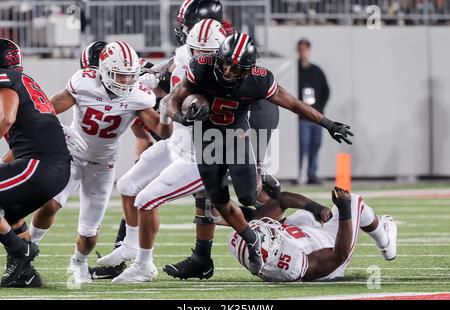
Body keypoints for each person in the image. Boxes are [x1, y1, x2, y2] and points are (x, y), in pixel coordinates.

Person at [167, 33, 353, 276]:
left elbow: (294, 104)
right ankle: (252, 239)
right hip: (206, 138)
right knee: (219, 201)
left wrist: (328, 124)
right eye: (225, 63)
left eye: (236, 68)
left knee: (246, 196)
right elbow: (173, 100)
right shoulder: (201, 68)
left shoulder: (259, 80)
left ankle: (258, 172)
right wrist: (182, 117)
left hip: (236, 136)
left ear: (248, 69)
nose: (228, 71)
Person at [94, 19, 227, 283]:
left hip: (201, 155)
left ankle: (144, 265)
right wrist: (154, 74)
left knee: (146, 199)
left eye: (206, 53)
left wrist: (175, 104)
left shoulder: (221, 78)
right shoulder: (185, 57)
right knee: (128, 184)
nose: (199, 56)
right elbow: (173, 67)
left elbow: (190, 101)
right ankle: (130, 245)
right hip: (177, 143)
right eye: (195, 50)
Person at [28, 41, 172, 284]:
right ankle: (27, 251)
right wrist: (63, 131)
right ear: (103, 71)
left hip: (103, 165)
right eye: (120, 75)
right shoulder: (84, 82)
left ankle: (79, 262)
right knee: (50, 205)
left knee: (89, 233)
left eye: (130, 77)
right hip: (72, 156)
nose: (125, 82)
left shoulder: (139, 94)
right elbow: (46, 110)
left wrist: (167, 113)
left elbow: (162, 131)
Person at [0, 38, 71, 287]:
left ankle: (20, 251)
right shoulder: (24, 82)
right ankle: (26, 274)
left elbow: (6, 119)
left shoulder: (4, 79)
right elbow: (25, 139)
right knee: (8, 213)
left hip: (39, 166)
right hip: (52, 168)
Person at [228, 187, 397, 282]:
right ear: (273, 248)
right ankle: (385, 242)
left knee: (302, 215)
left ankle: (317, 216)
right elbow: (338, 256)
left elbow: (282, 199)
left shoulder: (241, 242)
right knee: (353, 200)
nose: (272, 226)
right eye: (271, 232)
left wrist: (316, 208)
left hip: (302, 240)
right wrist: (344, 207)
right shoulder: (293, 264)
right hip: (329, 251)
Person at [297, 38, 330, 184]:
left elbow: (326, 91)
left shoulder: (317, 71)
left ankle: (312, 174)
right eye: (300, 49)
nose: (303, 52)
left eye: (305, 49)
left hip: (316, 117)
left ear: (309, 51)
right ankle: (299, 174)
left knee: (315, 145)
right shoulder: (294, 69)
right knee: (301, 146)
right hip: (301, 118)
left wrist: (319, 109)